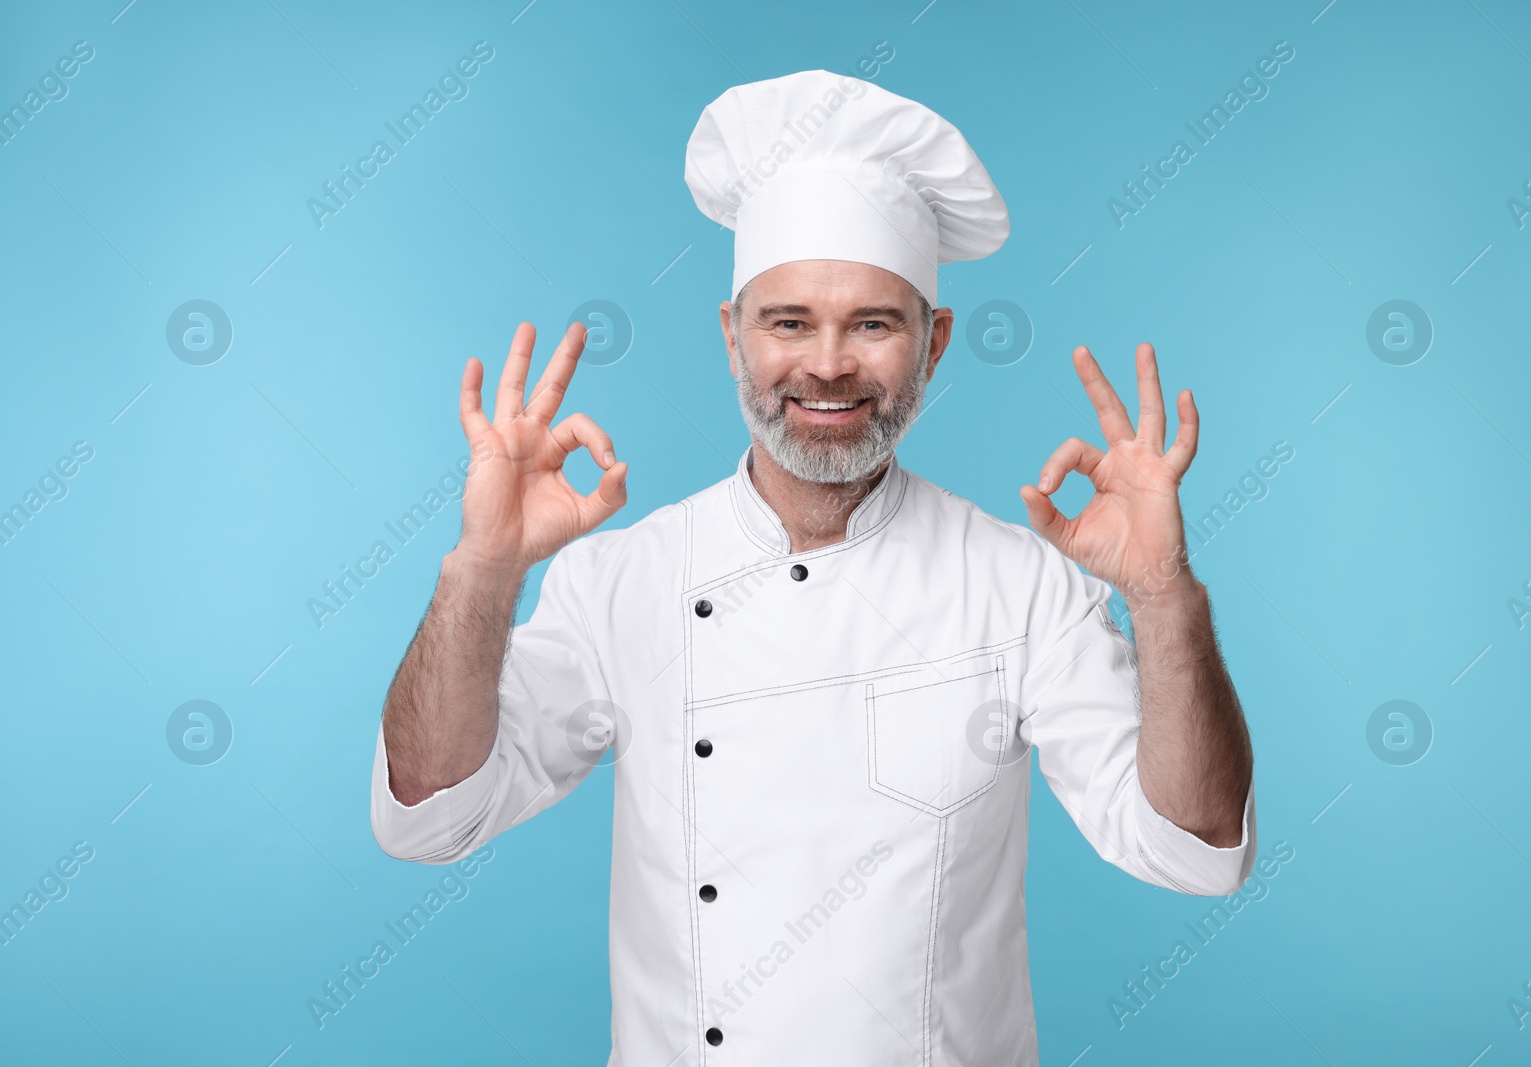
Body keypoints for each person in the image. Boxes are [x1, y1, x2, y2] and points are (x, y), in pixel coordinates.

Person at [371, 69, 1255, 1066]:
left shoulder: (1020, 587)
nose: (826, 363)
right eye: (787, 320)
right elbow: (431, 812)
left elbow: (1193, 849)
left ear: (936, 343)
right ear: (730, 335)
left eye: (873, 323)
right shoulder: (624, 579)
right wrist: (483, 566)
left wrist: (1163, 596)